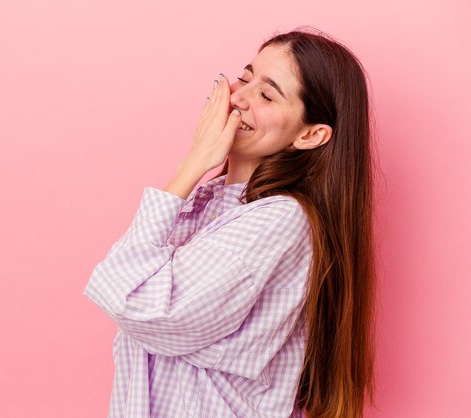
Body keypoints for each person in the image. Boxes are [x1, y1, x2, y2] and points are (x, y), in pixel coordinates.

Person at [84, 27, 377, 418]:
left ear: (310, 134)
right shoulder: (210, 203)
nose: (238, 98)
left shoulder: (280, 219)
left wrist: (192, 162)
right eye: (245, 77)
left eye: (267, 94)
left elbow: (132, 301)